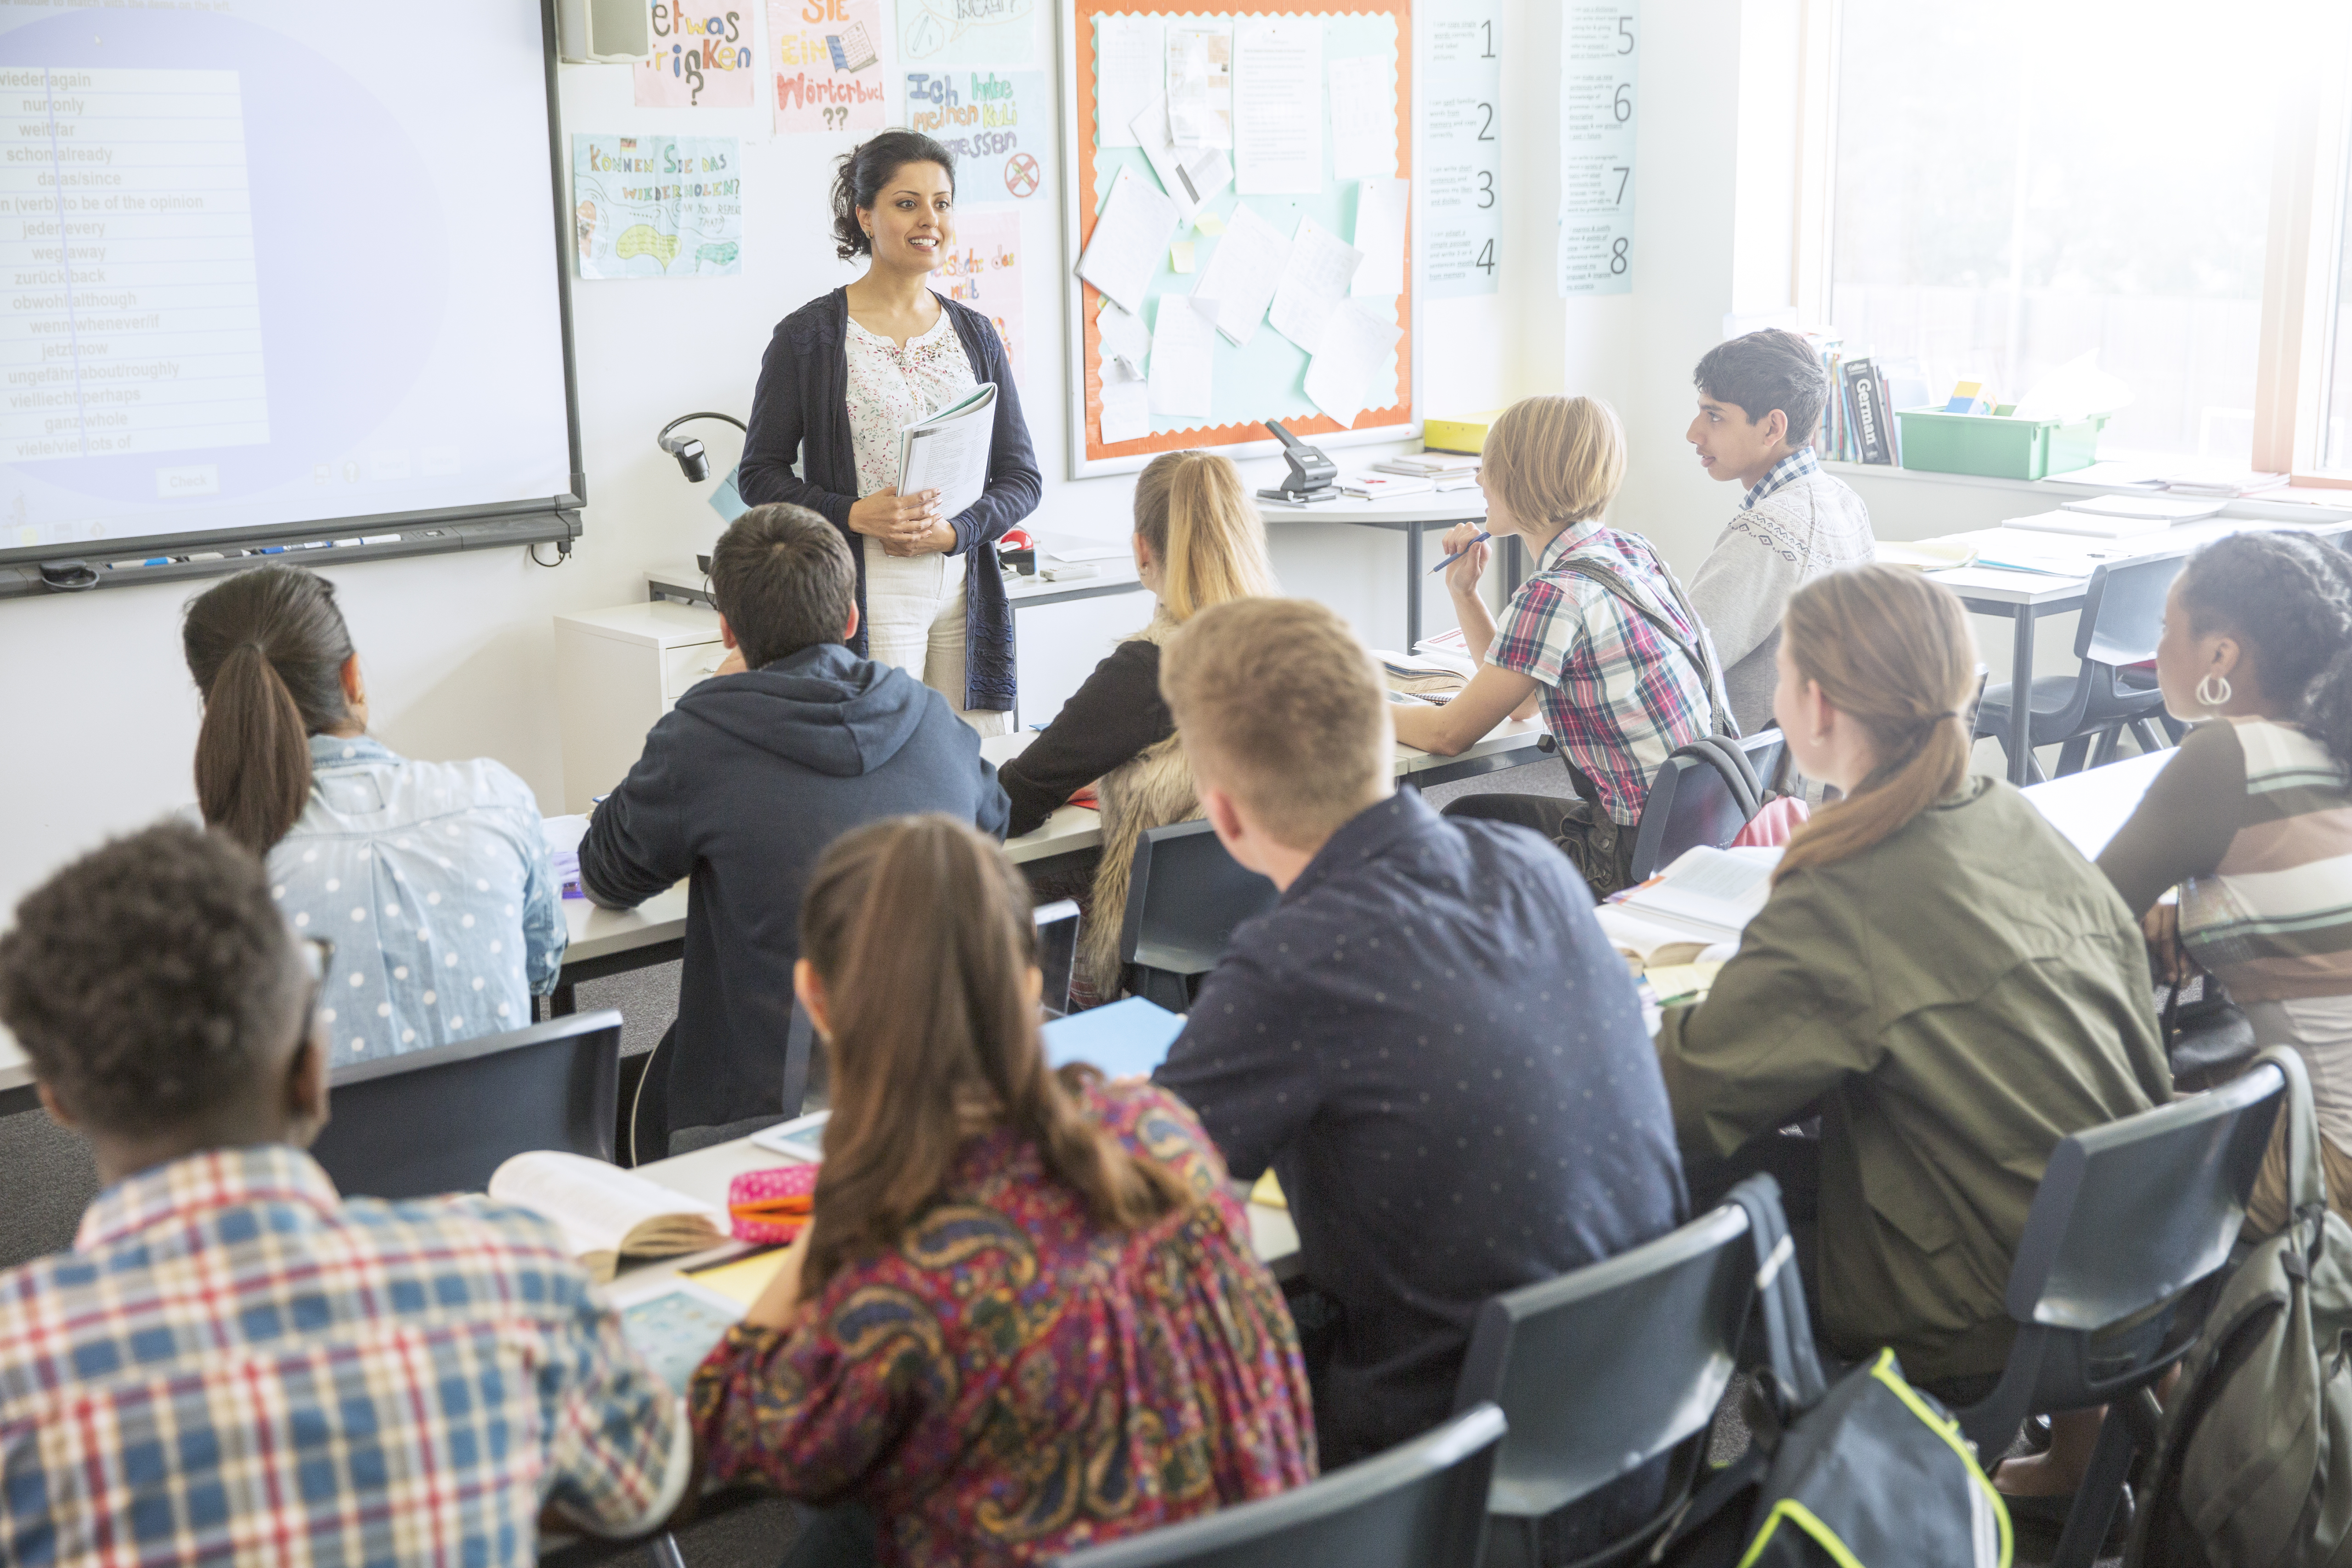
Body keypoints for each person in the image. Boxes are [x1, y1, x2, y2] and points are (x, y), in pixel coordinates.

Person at [0, 822, 690, 1565]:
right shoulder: (513, 1273)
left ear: (59, 1099)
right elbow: (644, 1488)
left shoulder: (20, 1366)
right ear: (311, 1069)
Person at [1151, 598, 1685, 1543]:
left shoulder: (1294, 960)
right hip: (1648, 1425)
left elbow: (1132, 1188)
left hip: (1455, 1483)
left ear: (1221, 811)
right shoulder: (1535, 867)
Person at [689, 815, 1314, 1568]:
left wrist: (838, 1208)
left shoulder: (897, 1268)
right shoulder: (1163, 1132)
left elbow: (721, 1429)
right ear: (1029, 983)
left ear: (814, 998)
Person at [1655, 566, 2169, 1408]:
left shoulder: (1850, 887)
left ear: (1817, 705)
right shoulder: (2007, 814)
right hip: (2126, 1260)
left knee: (1673, 1194)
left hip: (1977, 1309)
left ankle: (1689, 1503)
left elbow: (1686, 1099)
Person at [580, 504, 1011, 1152]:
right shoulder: (926, 712)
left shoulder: (702, 735)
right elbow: (992, 827)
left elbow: (606, 874)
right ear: (852, 619)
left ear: (727, 630)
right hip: (938, 1087)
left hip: (758, 1122)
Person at [181, 563, 562, 1062]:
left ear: (217, 712)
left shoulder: (199, 863)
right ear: (353, 677)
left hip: (315, 1141)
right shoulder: (494, 797)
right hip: (512, 1136)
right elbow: (541, 968)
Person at [737, 129, 1042, 736]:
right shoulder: (809, 338)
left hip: (965, 584)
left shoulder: (977, 335)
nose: (931, 219)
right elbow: (758, 477)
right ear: (866, 216)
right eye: (908, 203)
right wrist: (852, 514)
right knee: (882, 759)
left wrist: (959, 531)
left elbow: (1022, 477)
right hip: (867, 588)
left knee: (975, 771)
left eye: (943, 202)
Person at [2095, 531, 2352, 1233]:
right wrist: (2190, 895)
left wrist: (2176, 893)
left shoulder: (2228, 752)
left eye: (2165, 628)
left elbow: (2080, 915)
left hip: (2332, 1167)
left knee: (2058, 1169)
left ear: (2219, 656)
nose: (2156, 649)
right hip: (2323, 1124)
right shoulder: (2329, 741)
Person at [1391, 395, 1732, 897]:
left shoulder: (1556, 592)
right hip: (1698, 836)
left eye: (1490, 467)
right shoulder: (1630, 551)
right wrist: (1465, 594)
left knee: (1461, 826)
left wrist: (1351, 704)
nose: (1479, 480)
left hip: (1624, 860)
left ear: (1523, 478)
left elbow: (1447, 734)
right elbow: (1523, 701)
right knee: (1474, 817)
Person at [996, 449, 1275, 1000]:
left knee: (1012, 886)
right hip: (1277, 931)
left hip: (1154, 946)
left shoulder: (1146, 672)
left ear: (1141, 548)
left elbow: (1012, 801)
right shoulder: (1302, 652)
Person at [1683, 328, 1875, 734]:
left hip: (1755, 784)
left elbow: (1679, 661)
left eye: (1714, 415)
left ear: (1773, 428)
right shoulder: (1846, 501)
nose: (1694, 433)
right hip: (1826, 767)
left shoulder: (1768, 531)